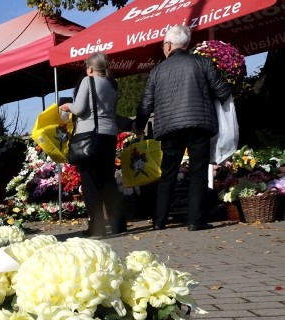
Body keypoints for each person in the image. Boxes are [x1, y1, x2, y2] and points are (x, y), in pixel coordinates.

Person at [133, 24, 231, 231]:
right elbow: (223, 92)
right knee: (198, 172)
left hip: (169, 128)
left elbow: (146, 103)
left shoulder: (157, 71)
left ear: (168, 45)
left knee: (168, 172)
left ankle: (159, 221)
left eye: (163, 45)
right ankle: (196, 221)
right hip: (199, 124)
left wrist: (139, 126)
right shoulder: (203, 63)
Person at [60, 53, 124, 237]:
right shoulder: (113, 85)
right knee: (107, 180)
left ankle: (97, 226)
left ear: (89, 68)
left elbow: (79, 109)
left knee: (90, 182)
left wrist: (67, 107)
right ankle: (118, 222)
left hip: (90, 136)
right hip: (109, 135)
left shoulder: (88, 81)